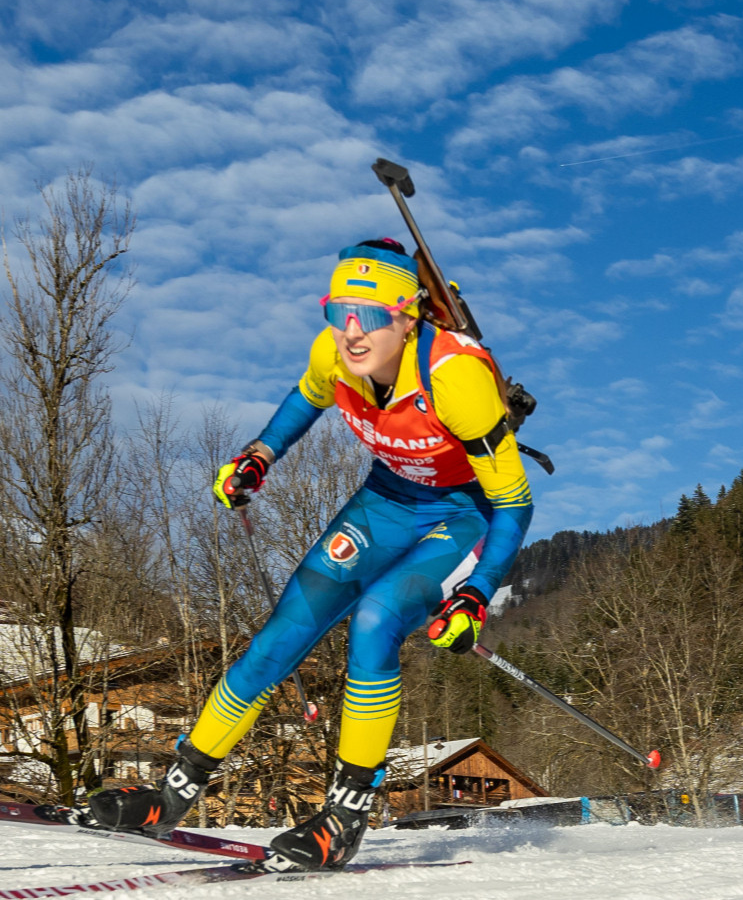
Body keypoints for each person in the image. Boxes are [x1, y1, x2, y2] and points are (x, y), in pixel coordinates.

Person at [86, 239, 534, 871]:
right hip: (385, 500)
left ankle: (345, 817)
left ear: (408, 319)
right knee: (282, 633)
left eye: (372, 315)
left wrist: (477, 592)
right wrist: (258, 457)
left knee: (376, 619)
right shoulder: (335, 354)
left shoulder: (454, 378)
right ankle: (173, 794)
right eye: (338, 311)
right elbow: (306, 397)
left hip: (464, 515)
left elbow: (515, 502)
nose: (353, 332)